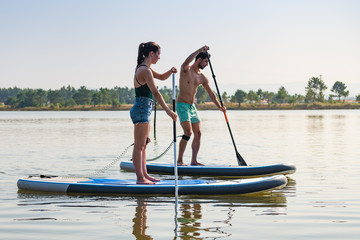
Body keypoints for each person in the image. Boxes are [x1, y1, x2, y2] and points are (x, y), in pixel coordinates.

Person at [130, 41, 177, 184]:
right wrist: (169, 111)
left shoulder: (146, 69)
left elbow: (162, 77)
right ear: (152, 54)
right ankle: (140, 178)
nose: (159, 58)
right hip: (141, 108)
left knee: (143, 145)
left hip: (145, 109)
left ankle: (145, 175)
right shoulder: (144, 70)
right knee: (139, 145)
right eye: (158, 54)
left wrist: (171, 71)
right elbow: (156, 93)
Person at [176, 45, 226, 166]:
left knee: (198, 133)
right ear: (199, 60)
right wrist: (199, 50)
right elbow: (187, 61)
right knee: (188, 132)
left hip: (192, 107)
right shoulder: (186, 69)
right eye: (205, 61)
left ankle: (194, 161)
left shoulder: (202, 77)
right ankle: (179, 161)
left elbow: (211, 93)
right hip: (182, 105)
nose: (207, 64)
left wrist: (220, 106)